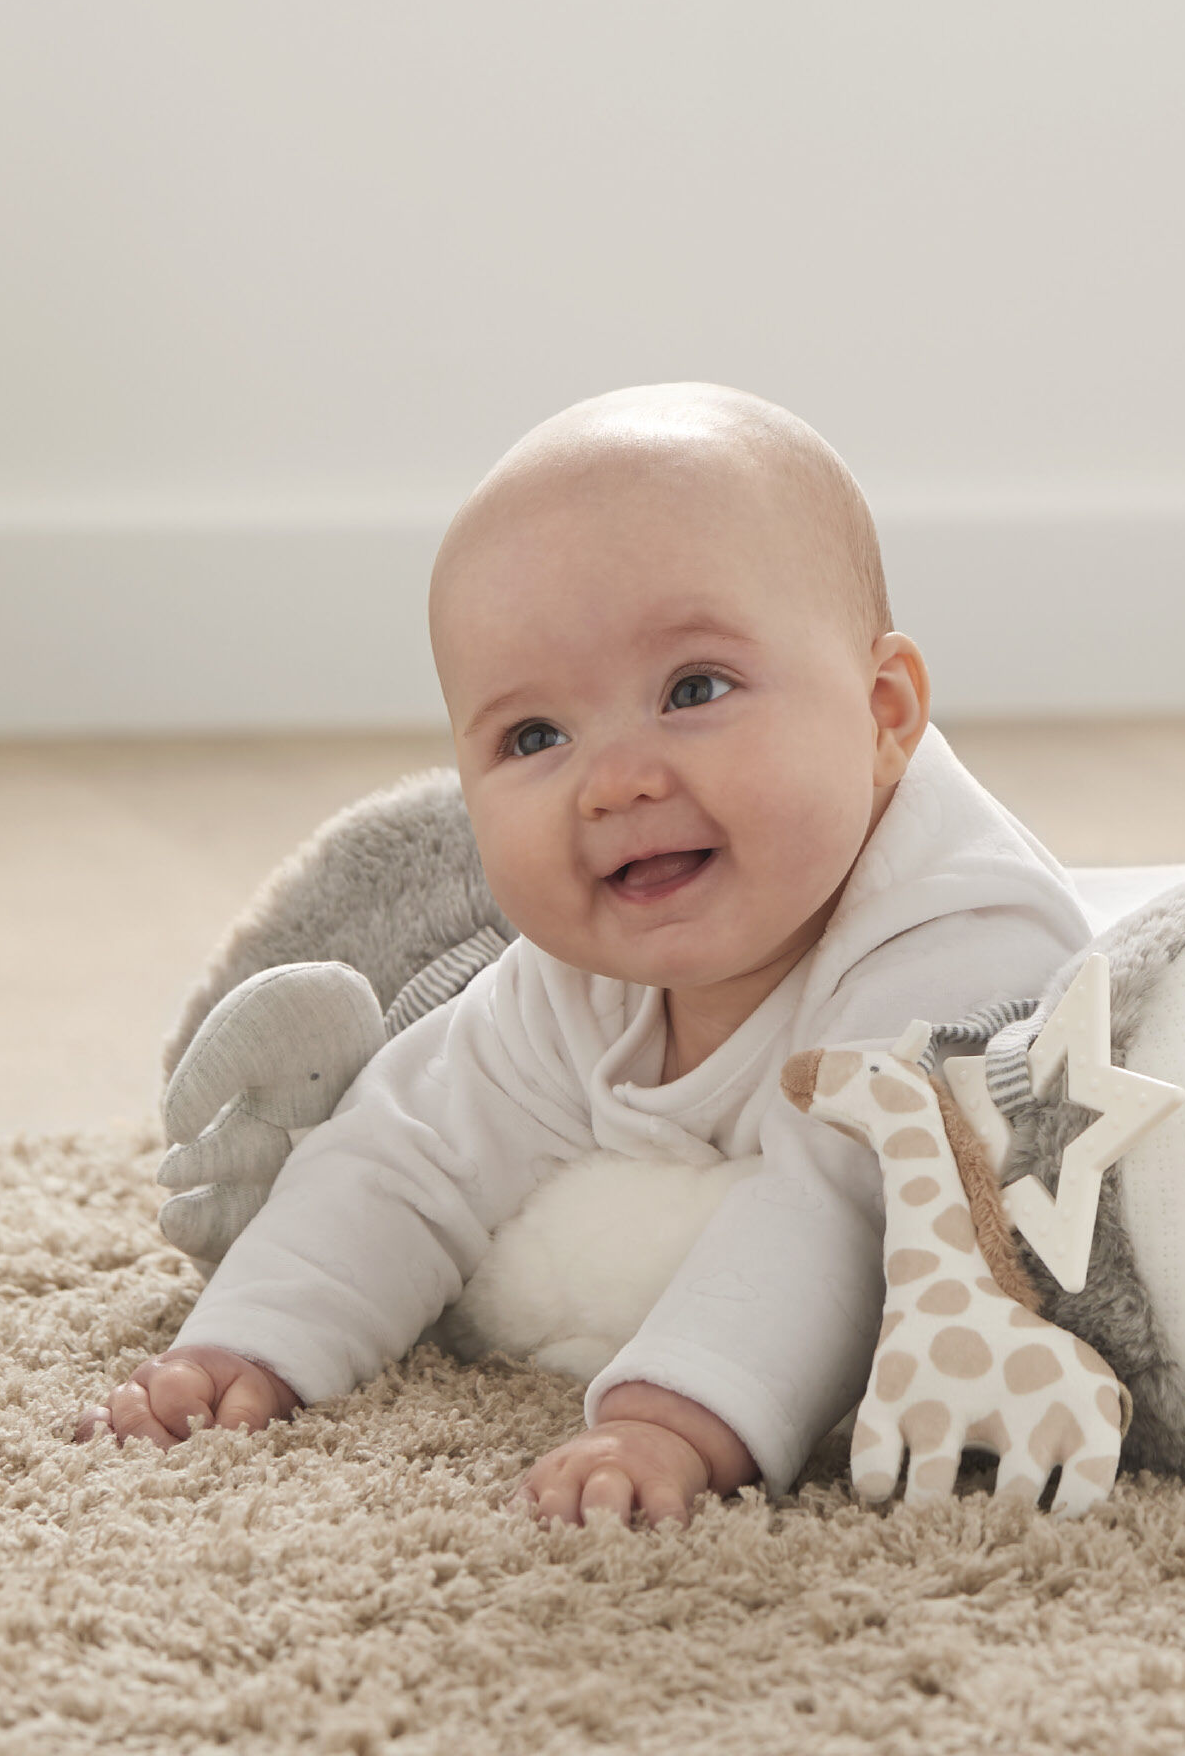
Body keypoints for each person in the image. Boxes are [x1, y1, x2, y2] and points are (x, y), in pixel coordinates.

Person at [78, 384, 1090, 1525]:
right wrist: (245, 1345)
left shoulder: (958, 941)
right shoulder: (580, 971)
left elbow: (849, 1203)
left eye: (694, 690)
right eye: (535, 736)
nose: (616, 781)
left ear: (883, 712)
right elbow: (405, 1153)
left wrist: (669, 1418)